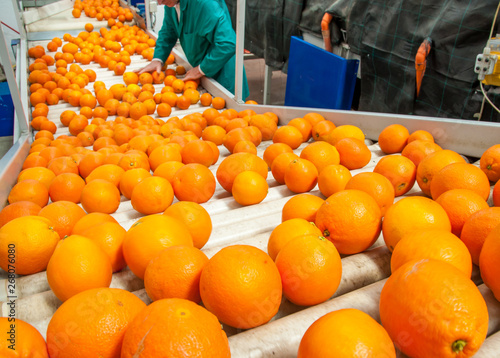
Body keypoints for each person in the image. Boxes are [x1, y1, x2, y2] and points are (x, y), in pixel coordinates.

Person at [136, 0, 250, 100]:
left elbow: (228, 43)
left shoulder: (204, 4)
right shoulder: (172, 4)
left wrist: (201, 69)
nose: (160, 2)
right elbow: (168, 32)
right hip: (202, 79)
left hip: (223, 78)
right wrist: (158, 59)